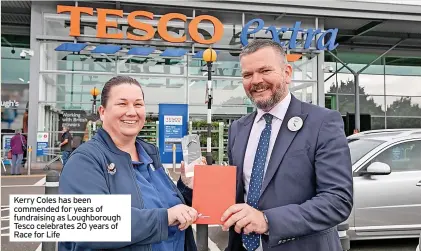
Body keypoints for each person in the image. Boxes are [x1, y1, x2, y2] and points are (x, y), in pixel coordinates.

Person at [179, 39, 353, 251]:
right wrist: (194, 185)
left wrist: (267, 220)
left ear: (287, 73)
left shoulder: (322, 122)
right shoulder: (238, 128)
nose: (256, 81)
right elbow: (237, 194)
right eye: (247, 75)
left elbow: (337, 201)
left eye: (265, 70)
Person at [59, 76, 198, 251]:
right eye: (122, 104)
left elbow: (166, 206)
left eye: (138, 104)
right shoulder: (85, 160)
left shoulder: (149, 154)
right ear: (102, 112)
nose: (132, 112)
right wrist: (165, 218)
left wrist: (186, 187)